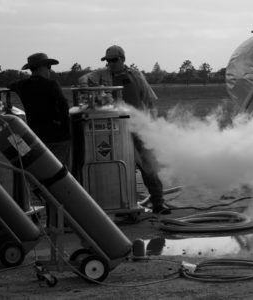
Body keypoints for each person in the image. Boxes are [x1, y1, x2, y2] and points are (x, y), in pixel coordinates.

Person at [79, 45, 170, 215]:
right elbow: (84, 78)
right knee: (119, 166)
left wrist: (151, 122)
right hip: (115, 128)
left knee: (148, 165)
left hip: (139, 127)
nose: (110, 64)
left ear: (122, 59)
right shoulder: (102, 74)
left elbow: (149, 99)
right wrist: (87, 85)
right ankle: (124, 205)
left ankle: (158, 202)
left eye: (113, 60)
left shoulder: (135, 75)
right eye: (107, 61)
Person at [9, 53, 72, 169]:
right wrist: (65, 127)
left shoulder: (22, 85)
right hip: (57, 138)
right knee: (59, 172)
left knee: (41, 171)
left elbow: (10, 86)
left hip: (35, 137)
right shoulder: (52, 85)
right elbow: (64, 108)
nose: (50, 70)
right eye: (49, 66)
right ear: (42, 67)